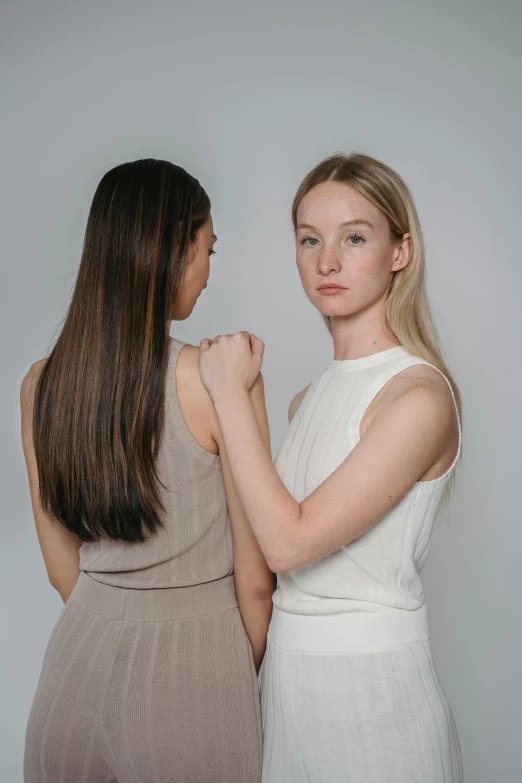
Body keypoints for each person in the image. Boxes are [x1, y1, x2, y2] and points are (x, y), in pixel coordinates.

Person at [199, 153, 463, 782]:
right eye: (309, 240)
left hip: (375, 697)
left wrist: (228, 396)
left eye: (354, 237)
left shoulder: (417, 396)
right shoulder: (307, 400)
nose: (327, 262)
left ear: (400, 251)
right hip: (289, 690)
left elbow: (287, 543)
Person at [21, 159, 274, 783]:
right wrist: (234, 677)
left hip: (75, 668)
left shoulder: (42, 384)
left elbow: (62, 569)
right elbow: (257, 581)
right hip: (197, 669)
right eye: (206, 248)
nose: (209, 272)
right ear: (170, 249)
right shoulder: (224, 380)